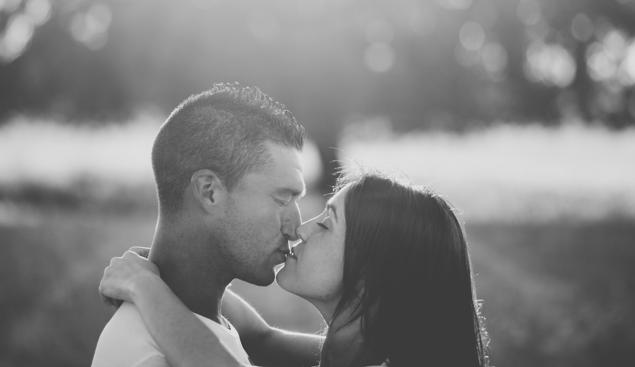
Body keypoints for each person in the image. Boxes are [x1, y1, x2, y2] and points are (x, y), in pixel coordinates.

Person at [100, 166, 490, 367]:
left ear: (371, 276)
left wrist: (144, 287)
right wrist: (174, 267)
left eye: (327, 224)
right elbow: (260, 339)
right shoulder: (364, 352)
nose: (302, 229)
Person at [90, 83, 324, 367]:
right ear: (209, 192)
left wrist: (148, 282)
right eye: (281, 199)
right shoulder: (150, 356)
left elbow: (262, 339)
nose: (295, 228)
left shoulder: (205, 320)